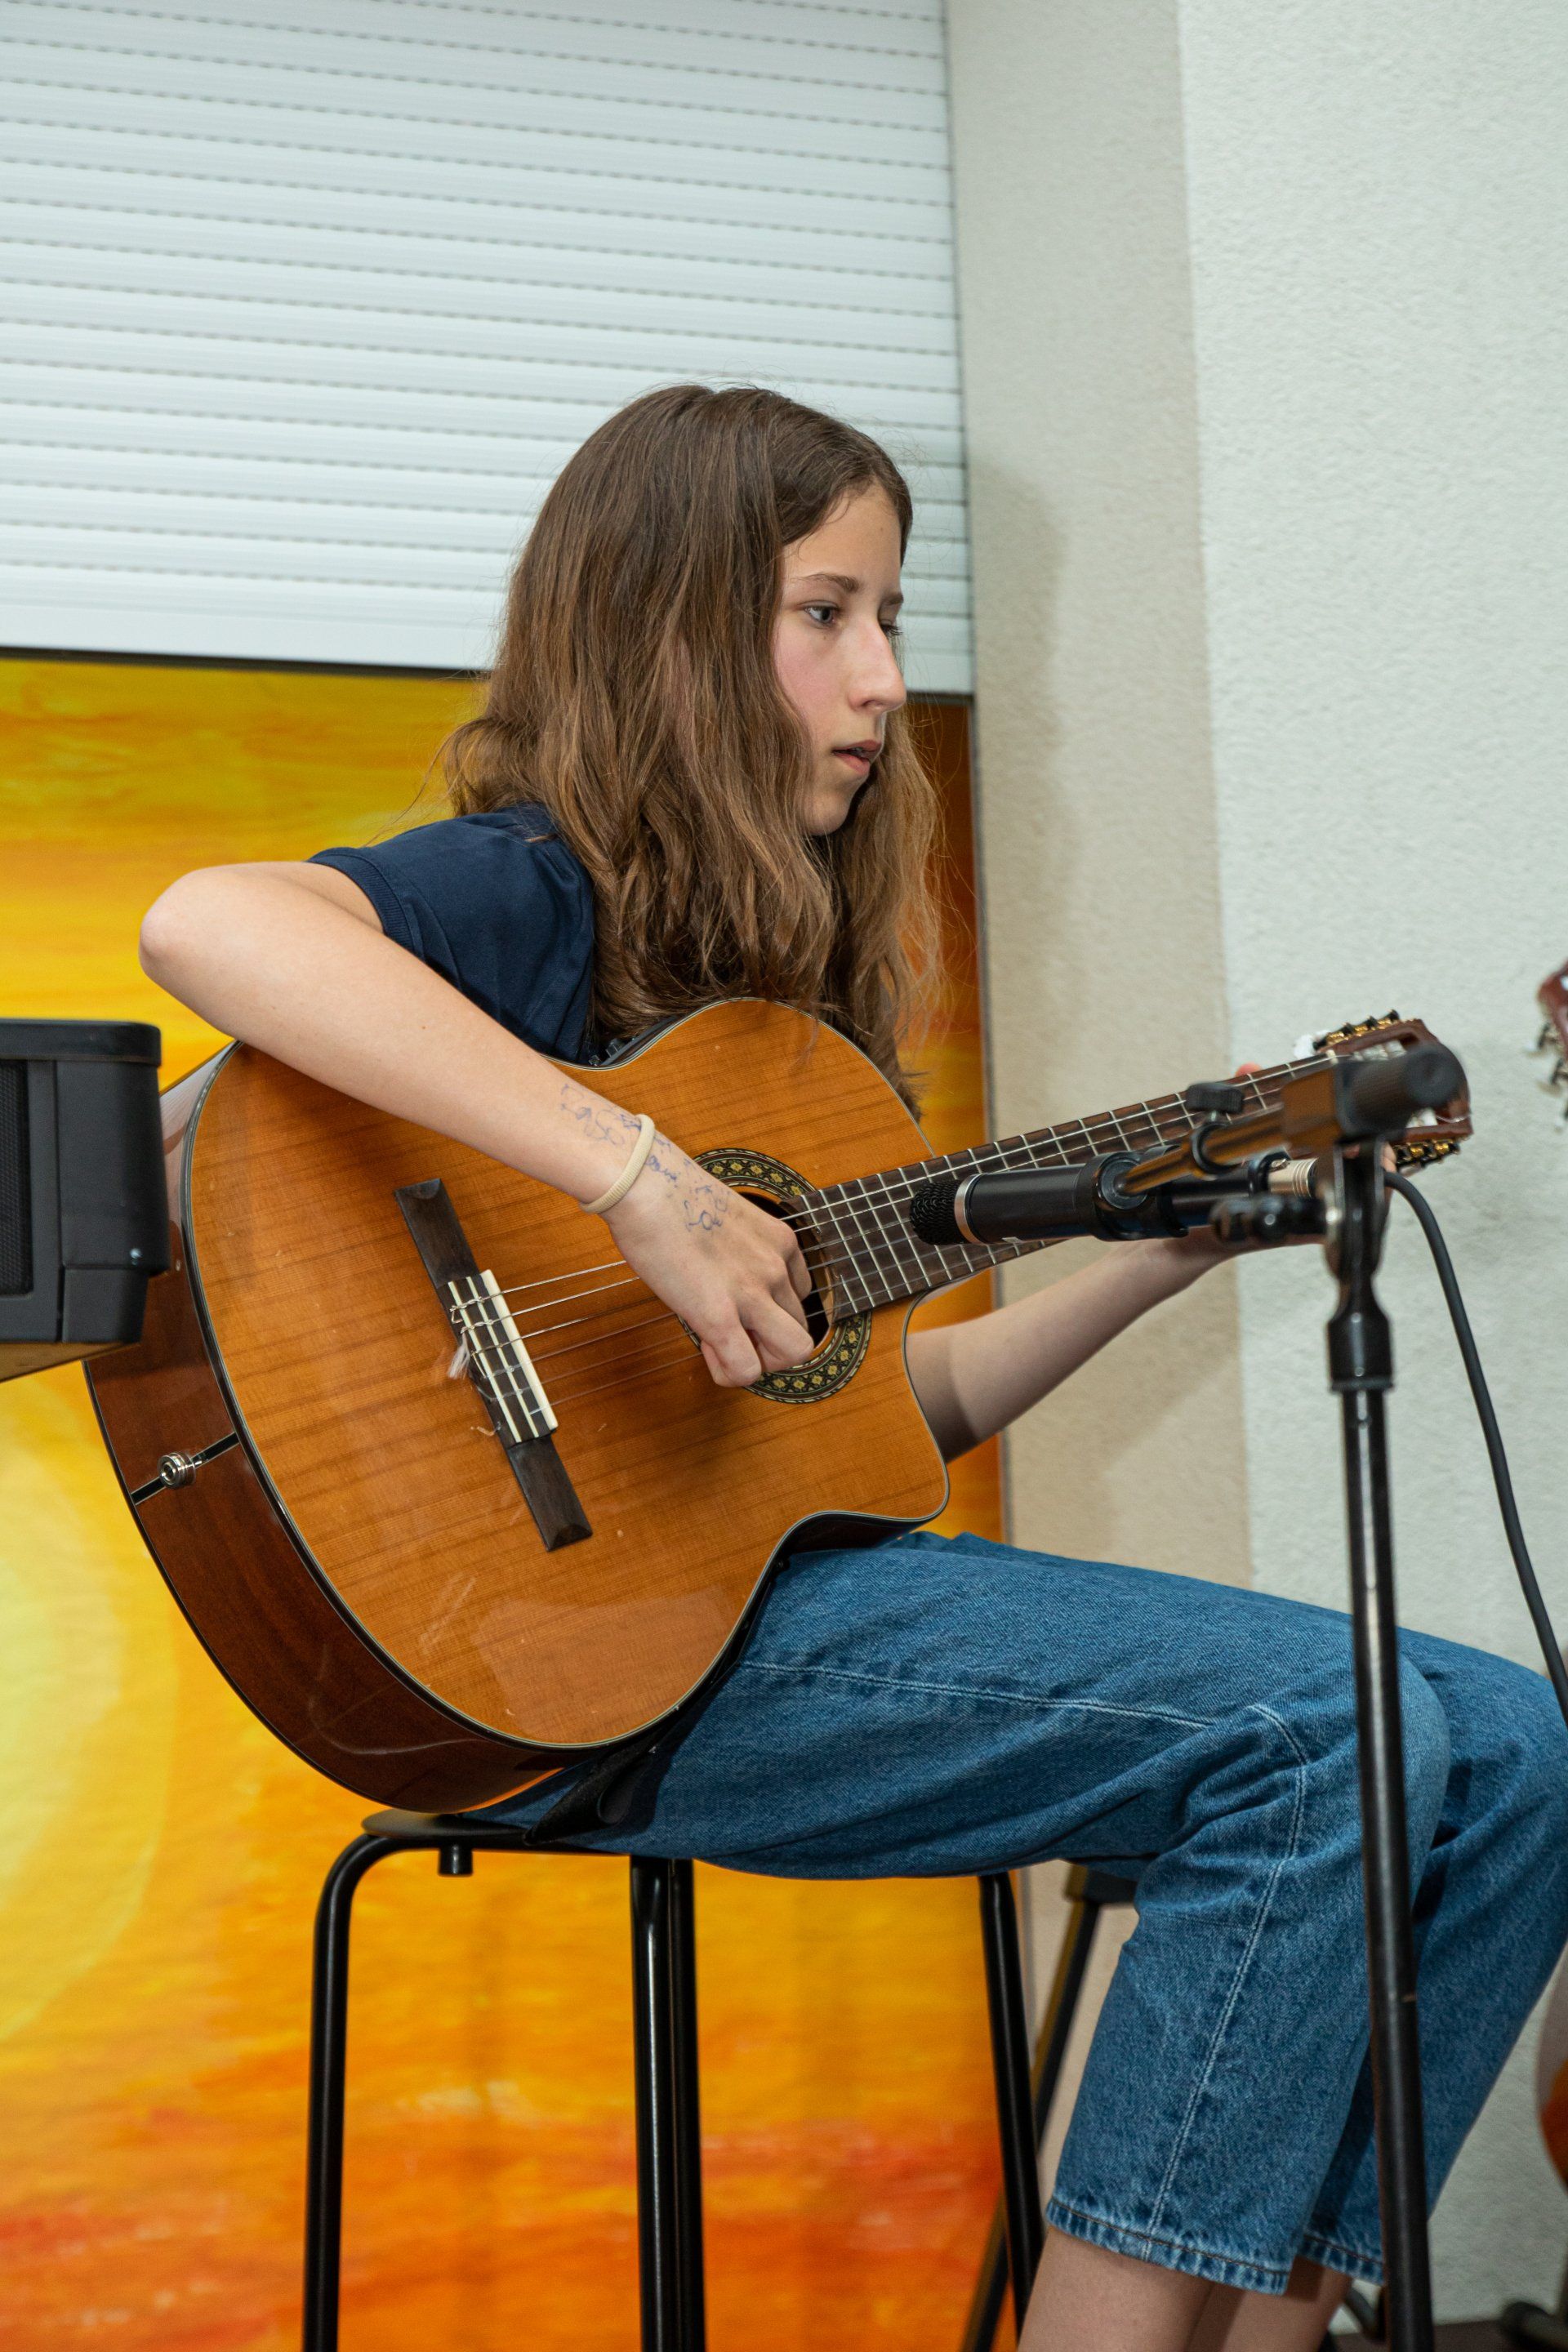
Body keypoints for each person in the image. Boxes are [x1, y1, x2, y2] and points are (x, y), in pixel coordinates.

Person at [139, 384, 1568, 2351]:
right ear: (665, 631)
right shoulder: (536, 891)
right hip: (587, 1669)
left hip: (787, 1616)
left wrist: (1154, 1253)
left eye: (889, 619)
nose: (886, 680)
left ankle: (1279, 2324)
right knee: (1327, 1734)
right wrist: (635, 1178)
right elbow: (207, 921)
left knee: (1511, 1746)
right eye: (827, 615)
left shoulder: (784, 1024)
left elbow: (880, 1434)